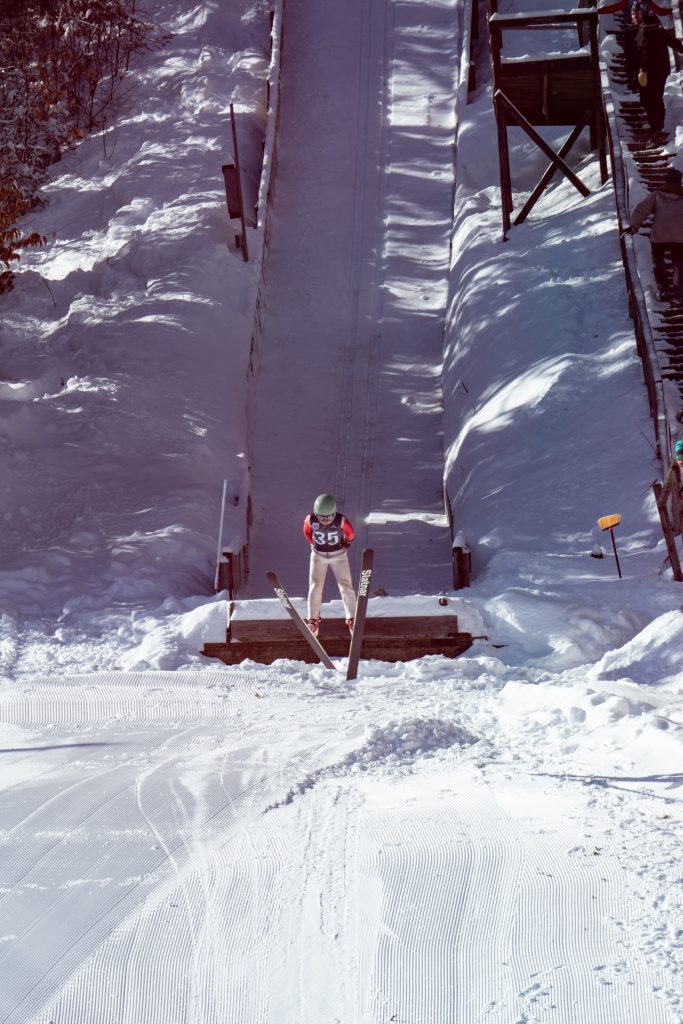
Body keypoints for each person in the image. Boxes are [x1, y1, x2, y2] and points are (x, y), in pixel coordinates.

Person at [626, 166, 683, 302]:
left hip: (659, 236)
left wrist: (633, 226)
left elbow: (641, 210)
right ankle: (679, 293)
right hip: (679, 236)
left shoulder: (657, 194)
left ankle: (664, 290)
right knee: (679, 265)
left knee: (659, 262)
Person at [303, 493, 357, 636]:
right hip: (318, 555)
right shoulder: (310, 519)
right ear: (316, 513)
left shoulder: (340, 520)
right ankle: (313, 620)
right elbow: (306, 531)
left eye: (329, 517)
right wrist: (313, 543)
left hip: (338, 555)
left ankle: (352, 618)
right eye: (322, 517)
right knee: (315, 585)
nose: (325, 521)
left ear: (334, 513)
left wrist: (346, 542)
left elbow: (350, 533)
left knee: (345, 584)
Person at [627, 0, 683, 136]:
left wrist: (643, 69)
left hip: (650, 72)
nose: (633, 16)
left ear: (642, 13)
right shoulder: (655, 25)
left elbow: (646, 51)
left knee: (649, 100)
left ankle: (657, 129)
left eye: (636, 13)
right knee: (655, 99)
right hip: (660, 70)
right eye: (632, 13)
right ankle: (658, 128)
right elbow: (670, 40)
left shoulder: (647, 28)